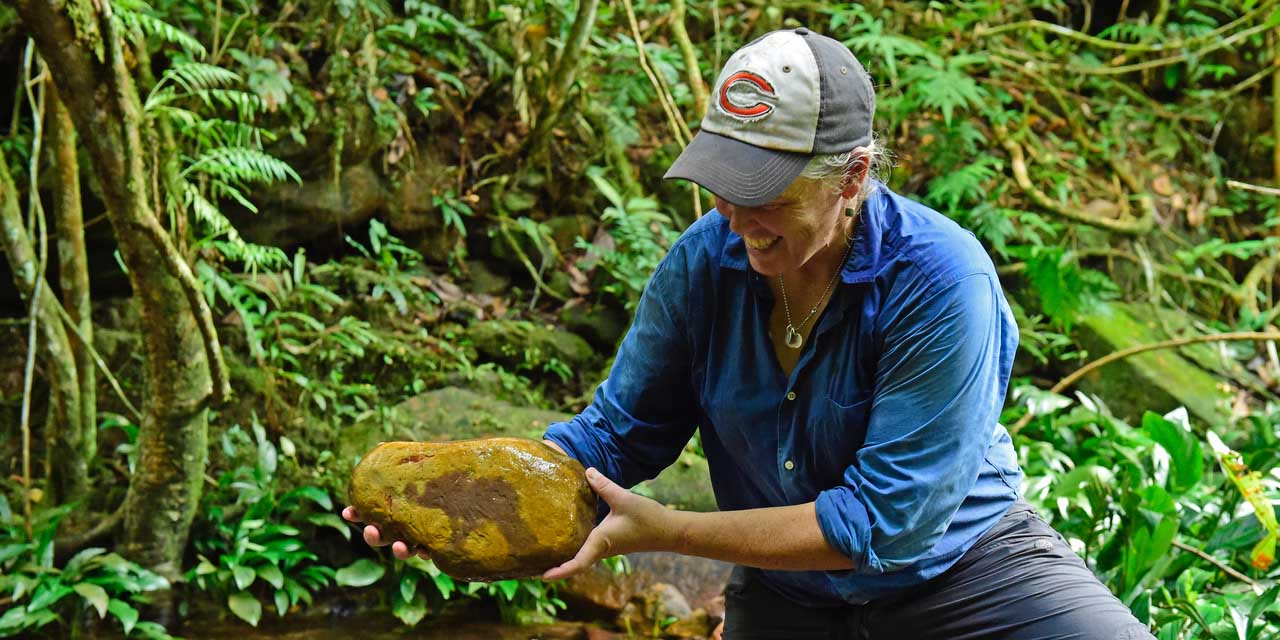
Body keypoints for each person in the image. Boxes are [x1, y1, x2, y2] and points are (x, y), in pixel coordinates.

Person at [344, 28, 1155, 639]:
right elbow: (618, 435)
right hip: (788, 597)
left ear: (855, 176)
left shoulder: (943, 282)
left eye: (762, 191)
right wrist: (473, 501)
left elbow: (882, 525)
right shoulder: (705, 264)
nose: (733, 216)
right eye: (720, 183)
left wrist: (672, 533)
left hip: (969, 574)